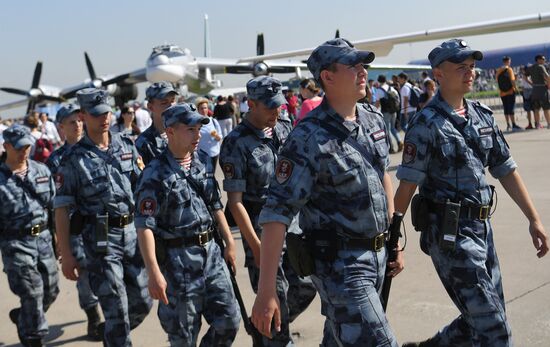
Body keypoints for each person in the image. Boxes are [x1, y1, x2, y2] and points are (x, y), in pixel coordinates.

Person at [393, 39, 549, 347]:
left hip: (482, 230)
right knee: (495, 330)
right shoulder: (426, 124)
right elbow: (406, 188)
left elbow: (506, 169)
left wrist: (534, 219)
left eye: (472, 67)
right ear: (438, 74)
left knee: (483, 319)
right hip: (450, 236)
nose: (470, 73)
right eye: (461, 67)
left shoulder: (481, 116)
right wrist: (393, 240)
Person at [251, 38, 403, 347]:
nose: (363, 72)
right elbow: (276, 214)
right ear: (327, 77)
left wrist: (393, 236)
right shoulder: (307, 138)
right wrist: (267, 290)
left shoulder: (371, 119)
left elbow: (383, 175)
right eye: (353, 66)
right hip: (341, 266)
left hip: (376, 255)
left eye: (364, 65)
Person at [220, 76, 317, 346]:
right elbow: (235, 202)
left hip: (294, 229)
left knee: (307, 286)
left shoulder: (284, 129)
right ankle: (273, 332)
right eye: (270, 106)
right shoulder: (235, 143)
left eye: (280, 105)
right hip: (261, 233)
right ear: (251, 104)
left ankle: (267, 328)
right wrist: (256, 246)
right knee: (276, 302)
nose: (277, 111)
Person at [134, 103, 240, 346]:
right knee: (183, 336)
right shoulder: (154, 174)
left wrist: (230, 241)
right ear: (170, 132)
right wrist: (153, 273)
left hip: (212, 256)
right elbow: (144, 226)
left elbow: (215, 205)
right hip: (177, 264)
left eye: (199, 129)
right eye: (190, 129)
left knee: (229, 321)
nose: (198, 135)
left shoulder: (200, 162)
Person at [54, 88, 152, 346]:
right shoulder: (72, 159)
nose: (104, 119)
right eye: (97, 114)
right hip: (100, 239)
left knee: (142, 301)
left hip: (132, 232)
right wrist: (66, 254)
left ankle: (113, 333)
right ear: (84, 115)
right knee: (117, 307)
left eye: (106, 113)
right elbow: (62, 210)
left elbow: (142, 189)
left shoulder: (126, 145)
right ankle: (117, 333)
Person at [46, 104, 104, 341]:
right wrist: (57, 237)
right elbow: (53, 203)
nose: (78, 125)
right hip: (74, 227)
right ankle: (93, 316)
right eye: (71, 122)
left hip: (100, 223)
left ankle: (110, 310)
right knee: (84, 272)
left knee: (106, 267)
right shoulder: (55, 160)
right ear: (61, 128)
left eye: (79, 120)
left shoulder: (96, 149)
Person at [1, 124, 59, 347]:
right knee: (33, 291)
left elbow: (54, 208)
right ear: (6, 146)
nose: (24, 151)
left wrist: (58, 240)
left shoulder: (41, 171)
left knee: (51, 289)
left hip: (43, 239)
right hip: (15, 243)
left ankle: (25, 316)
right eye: (18, 147)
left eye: (27, 146)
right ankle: (33, 338)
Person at [135, 82, 179, 165]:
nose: (171, 106)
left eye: (173, 101)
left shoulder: (184, 133)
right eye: (164, 103)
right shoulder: (143, 143)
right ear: (150, 107)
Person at [376, 74, 403, 153]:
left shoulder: (379, 90)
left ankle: (391, 148)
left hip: (385, 112)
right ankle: (399, 141)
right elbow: (398, 99)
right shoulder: (392, 88)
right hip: (394, 111)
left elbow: (377, 103)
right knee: (393, 128)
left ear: (379, 81)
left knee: (387, 130)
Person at [196, 97, 223, 172]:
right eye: (201, 108)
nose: (204, 110)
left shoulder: (213, 121)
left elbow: (220, 137)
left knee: (211, 176)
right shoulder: (196, 123)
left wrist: (216, 136)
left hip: (213, 153)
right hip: (201, 154)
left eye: (205, 108)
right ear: (198, 110)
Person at [496, 56, 521, 131]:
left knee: (506, 108)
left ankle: (508, 125)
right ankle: (514, 124)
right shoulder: (509, 69)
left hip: (502, 92)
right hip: (510, 91)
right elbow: (512, 81)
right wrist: (516, 89)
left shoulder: (499, 70)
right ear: (508, 61)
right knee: (511, 108)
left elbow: (497, 80)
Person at [529, 54, 550, 129]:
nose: (544, 61)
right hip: (542, 89)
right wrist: (549, 86)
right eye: (543, 59)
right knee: (546, 108)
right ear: (538, 60)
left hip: (535, 90)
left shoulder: (531, 67)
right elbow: (547, 77)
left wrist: (531, 83)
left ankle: (537, 124)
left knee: (536, 108)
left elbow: (525, 76)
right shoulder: (541, 67)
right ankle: (548, 123)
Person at [519, 65, 534, 129]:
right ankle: (535, 123)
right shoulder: (531, 75)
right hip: (531, 92)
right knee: (534, 109)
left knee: (529, 109)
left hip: (527, 93)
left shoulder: (525, 76)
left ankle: (531, 123)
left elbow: (522, 86)